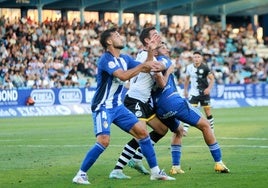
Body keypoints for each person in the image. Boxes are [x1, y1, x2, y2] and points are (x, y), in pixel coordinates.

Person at [72, 27, 175, 185]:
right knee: (104, 140)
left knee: (142, 133)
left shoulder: (125, 58)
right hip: (102, 106)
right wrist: (143, 66)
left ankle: (155, 172)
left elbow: (147, 66)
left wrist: (150, 50)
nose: (121, 37)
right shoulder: (106, 59)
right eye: (117, 35)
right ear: (109, 41)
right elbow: (123, 75)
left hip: (117, 106)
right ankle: (81, 174)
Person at [109, 28, 184, 179]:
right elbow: (161, 83)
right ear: (147, 41)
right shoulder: (149, 58)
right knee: (140, 135)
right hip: (135, 100)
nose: (159, 37)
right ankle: (117, 169)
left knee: (162, 129)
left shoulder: (144, 54)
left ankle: (136, 159)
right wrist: (169, 70)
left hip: (144, 102)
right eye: (155, 35)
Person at [152, 44, 230, 174]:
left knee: (178, 131)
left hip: (159, 107)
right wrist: (169, 69)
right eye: (163, 47)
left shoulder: (147, 63)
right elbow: (161, 77)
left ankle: (175, 167)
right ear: (155, 51)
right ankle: (219, 163)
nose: (167, 49)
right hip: (173, 101)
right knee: (206, 125)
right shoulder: (163, 61)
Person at [183, 51, 215, 136]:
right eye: (195, 57)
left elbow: (212, 79)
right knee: (190, 110)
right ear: (192, 58)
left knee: (207, 111)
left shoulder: (205, 68)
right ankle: (185, 129)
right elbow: (186, 79)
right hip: (194, 93)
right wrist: (185, 90)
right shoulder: (189, 67)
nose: (196, 59)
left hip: (204, 93)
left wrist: (209, 88)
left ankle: (211, 129)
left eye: (198, 57)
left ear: (201, 58)